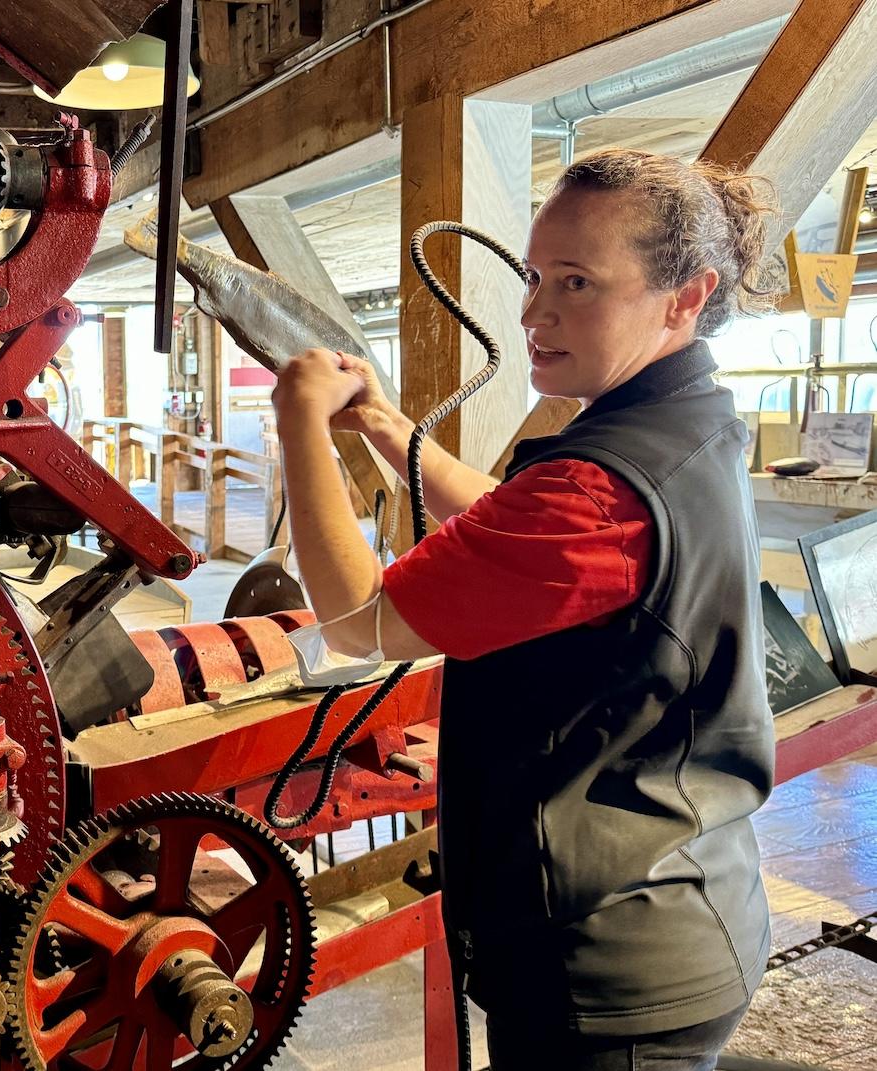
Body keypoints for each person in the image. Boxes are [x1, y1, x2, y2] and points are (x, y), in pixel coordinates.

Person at [271, 148, 779, 1070]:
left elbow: (358, 620)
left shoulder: (599, 489)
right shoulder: (681, 423)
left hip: (606, 963)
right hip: (687, 887)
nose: (534, 313)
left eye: (578, 283)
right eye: (536, 276)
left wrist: (299, 422)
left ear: (685, 296)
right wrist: (388, 429)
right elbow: (512, 526)